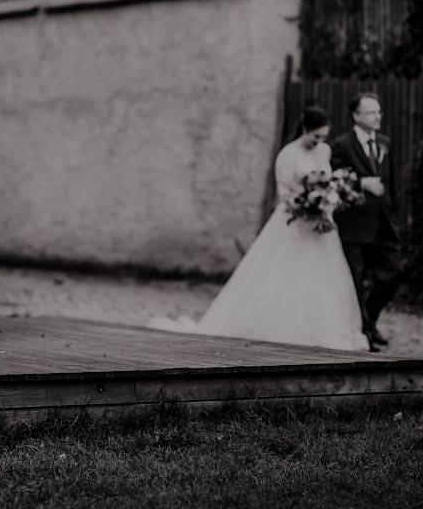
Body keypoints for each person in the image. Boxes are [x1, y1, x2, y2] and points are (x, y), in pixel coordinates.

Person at [149, 106, 368, 351]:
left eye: (323, 137)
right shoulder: (287, 155)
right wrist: (309, 210)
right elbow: (286, 195)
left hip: (322, 228)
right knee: (286, 275)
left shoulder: (324, 151)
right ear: (305, 130)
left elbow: (328, 184)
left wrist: (326, 209)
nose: (319, 142)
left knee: (325, 278)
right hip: (294, 224)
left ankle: (325, 328)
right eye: (315, 136)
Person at [330, 92, 402, 352]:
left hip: (382, 223)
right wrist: (361, 183)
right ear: (356, 116)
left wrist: (394, 215)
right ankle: (363, 334)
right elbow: (332, 180)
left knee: (392, 273)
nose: (378, 116)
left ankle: (369, 321)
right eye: (372, 112)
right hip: (353, 224)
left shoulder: (385, 142)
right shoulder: (341, 144)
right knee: (356, 279)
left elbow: (390, 183)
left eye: (379, 112)